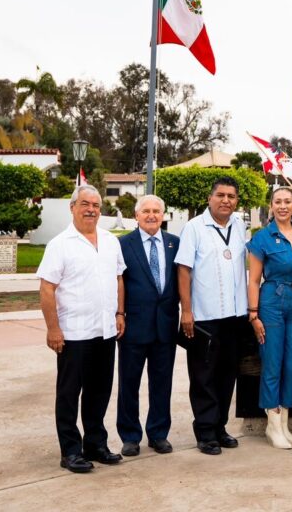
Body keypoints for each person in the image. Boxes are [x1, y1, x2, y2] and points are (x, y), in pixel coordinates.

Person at [38, 185, 126, 473]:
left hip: (105, 331)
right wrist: (53, 330)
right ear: (72, 207)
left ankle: (96, 444)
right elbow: (47, 289)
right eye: (85, 204)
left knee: (99, 392)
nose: (91, 209)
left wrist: (119, 313)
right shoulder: (60, 244)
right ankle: (71, 451)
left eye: (96, 205)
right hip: (74, 334)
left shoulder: (111, 241)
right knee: (68, 394)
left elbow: (119, 279)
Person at [176, 176, 249, 455]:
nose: (226, 200)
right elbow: (184, 269)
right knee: (203, 376)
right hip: (204, 317)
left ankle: (220, 427)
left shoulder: (240, 227)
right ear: (210, 198)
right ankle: (205, 432)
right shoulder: (194, 228)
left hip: (234, 316)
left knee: (227, 374)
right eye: (221, 195)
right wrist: (187, 310)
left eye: (231, 196)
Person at [247, 186, 292, 450]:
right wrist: (254, 315)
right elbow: (253, 280)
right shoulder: (262, 238)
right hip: (272, 301)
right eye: (278, 202)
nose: (283, 206)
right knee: (272, 363)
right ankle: (272, 425)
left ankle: (284, 421)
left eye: (288, 201)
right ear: (271, 206)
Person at [116, 195, 179, 457]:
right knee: (129, 383)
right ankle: (130, 436)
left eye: (156, 211)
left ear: (163, 215)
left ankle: (158, 433)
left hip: (165, 325)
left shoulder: (174, 243)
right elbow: (117, 281)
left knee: (162, 383)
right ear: (136, 215)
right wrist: (118, 313)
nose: (151, 215)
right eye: (146, 211)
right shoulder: (122, 245)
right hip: (134, 326)